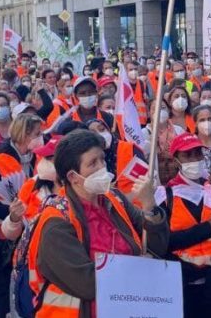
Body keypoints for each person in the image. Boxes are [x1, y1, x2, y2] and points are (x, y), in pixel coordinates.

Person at [27, 129, 169, 316]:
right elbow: (87, 284)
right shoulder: (56, 222)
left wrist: (150, 207)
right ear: (73, 177)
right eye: (92, 163)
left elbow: (157, 248)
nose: (102, 167)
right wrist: (138, 269)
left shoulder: (115, 199)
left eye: (102, 159)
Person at [159, 134, 211, 318]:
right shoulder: (165, 195)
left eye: (198, 154)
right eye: (188, 155)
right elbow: (164, 242)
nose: (194, 159)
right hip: (182, 284)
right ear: (176, 160)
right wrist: (208, 228)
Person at [0, 114, 43, 318]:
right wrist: (13, 214)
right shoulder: (1, 158)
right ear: (24, 134)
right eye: (37, 134)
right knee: (1, 286)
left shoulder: (33, 158)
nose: (41, 138)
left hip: (24, 228)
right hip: (0, 231)